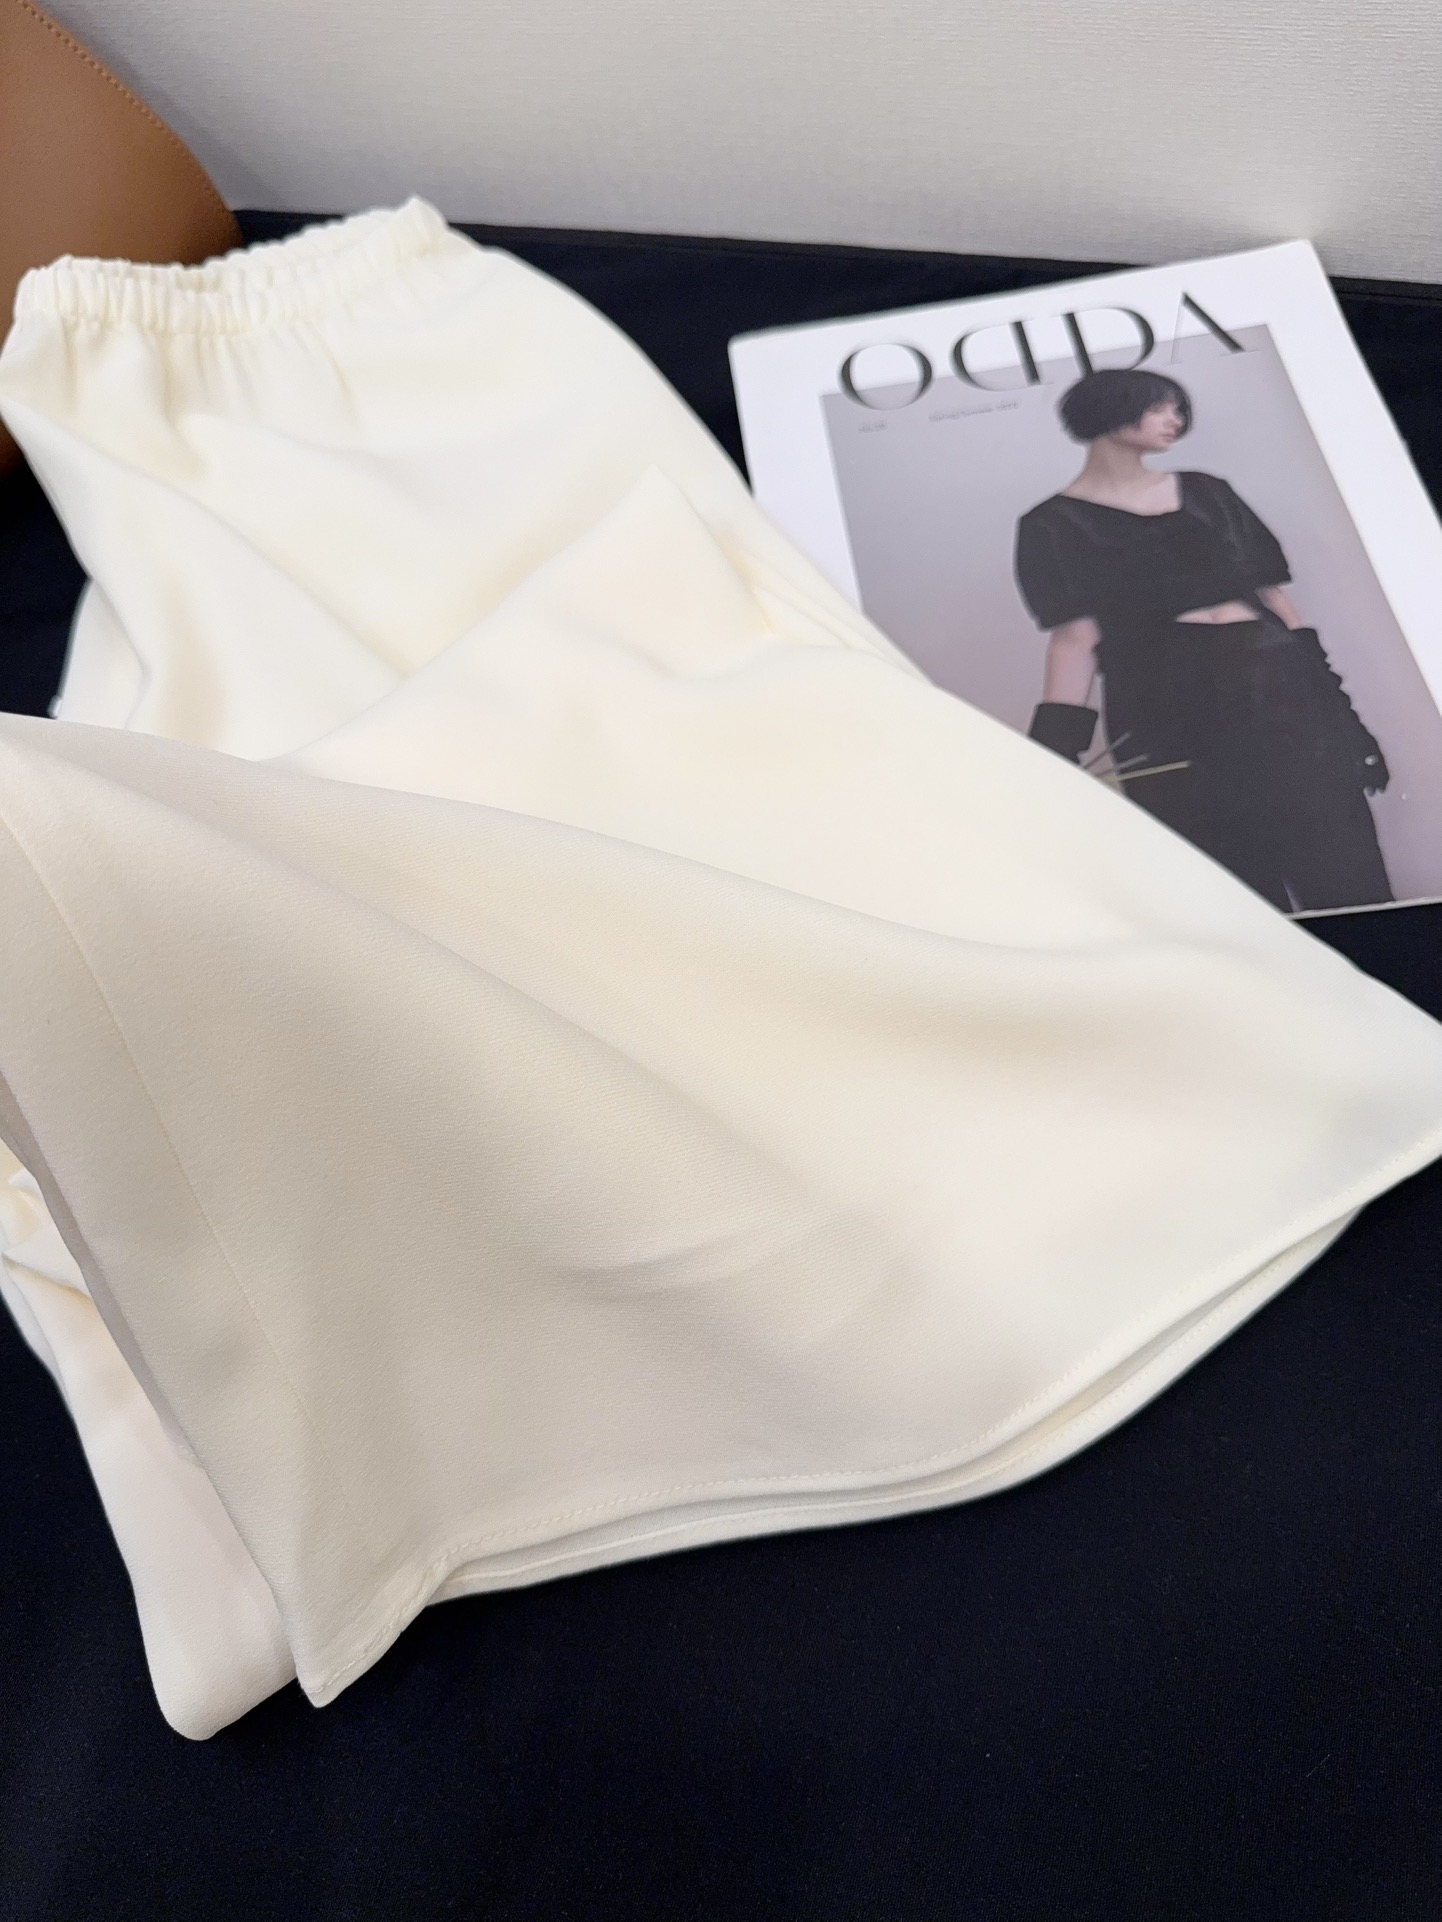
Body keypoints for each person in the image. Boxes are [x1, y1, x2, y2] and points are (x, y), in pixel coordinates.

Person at [1013, 367, 1392, 911]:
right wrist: (1053, 758)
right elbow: (1075, 640)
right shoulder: (1050, 525)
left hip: (1278, 689)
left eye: (1178, 408)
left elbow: (1280, 607)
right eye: (1159, 408)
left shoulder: (1208, 492)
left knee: (1341, 863)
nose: (1175, 420)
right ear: (1110, 413)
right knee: (1231, 888)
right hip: (1165, 706)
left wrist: (1345, 718)